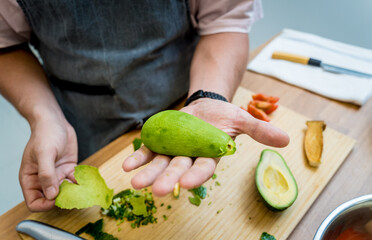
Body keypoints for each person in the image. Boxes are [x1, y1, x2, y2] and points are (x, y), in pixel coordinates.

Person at [0, 0, 289, 212]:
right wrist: (45, 117)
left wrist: (208, 96)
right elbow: (6, 43)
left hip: (185, 96)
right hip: (77, 119)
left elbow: (225, 21)